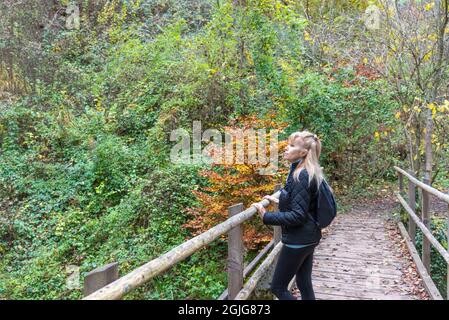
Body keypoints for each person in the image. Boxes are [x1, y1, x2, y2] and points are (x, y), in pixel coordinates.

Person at [251, 130, 325, 300]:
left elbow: (298, 215)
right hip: (309, 236)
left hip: (299, 240)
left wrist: (266, 216)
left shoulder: (301, 175)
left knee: (278, 288)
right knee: (304, 282)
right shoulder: (303, 170)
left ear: (303, 152)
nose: (286, 148)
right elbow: (304, 202)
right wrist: (280, 200)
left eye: (292, 145)